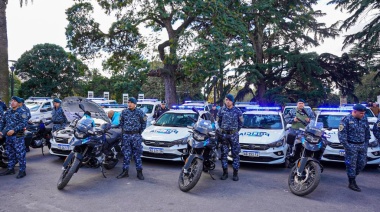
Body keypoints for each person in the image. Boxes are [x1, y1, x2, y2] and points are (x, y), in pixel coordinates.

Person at [338, 104, 370, 192]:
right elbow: (342, 136)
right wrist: (348, 147)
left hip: (362, 145)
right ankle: (352, 182)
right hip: (351, 145)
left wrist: (366, 144)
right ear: (354, 112)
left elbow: (367, 132)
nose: (363, 115)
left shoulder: (364, 118)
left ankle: (353, 176)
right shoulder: (346, 120)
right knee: (351, 165)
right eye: (361, 113)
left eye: (363, 113)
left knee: (362, 163)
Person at [117, 97, 147, 180]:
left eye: (131, 103)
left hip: (136, 136)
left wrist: (138, 132)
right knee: (126, 154)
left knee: (137, 154)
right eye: (128, 102)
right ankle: (125, 171)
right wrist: (125, 131)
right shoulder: (124, 112)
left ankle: (139, 172)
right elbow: (121, 123)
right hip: (126, 136)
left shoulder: (140, 112)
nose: (129, 104)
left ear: (135, 104)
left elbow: (144, 123)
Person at [216, 94, 243, 181]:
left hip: (234, 135)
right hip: (224, 135)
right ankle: (225, 173)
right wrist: (221, 130)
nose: (227, 101)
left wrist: (235, 131)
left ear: (232, 101)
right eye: (226, 99)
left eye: (229, 100)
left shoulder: (237, 111)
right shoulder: (221, 110)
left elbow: (241, 123)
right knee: (224, 154)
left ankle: (235, 174)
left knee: (235, 154)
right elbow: (218, 121)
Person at [0, 96, 28, 178]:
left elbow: (24, 124)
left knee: (20, 154)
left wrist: (14, 130)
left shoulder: (22, 112)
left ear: (19, 103)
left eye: (15, 101)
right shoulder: (8, 112)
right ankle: (10, 169)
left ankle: (22, 171)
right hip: (8, 137)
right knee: (10, 153)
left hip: (18, 136)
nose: (12, 102)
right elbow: (2, 122)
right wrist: (0, 130)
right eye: (12, 101)